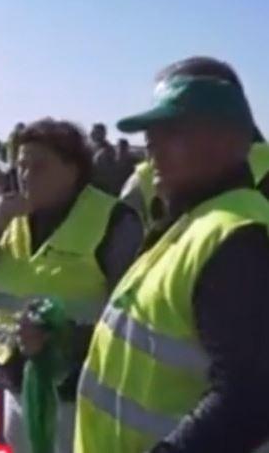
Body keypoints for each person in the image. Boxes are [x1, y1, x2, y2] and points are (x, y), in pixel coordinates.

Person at [71, 68, 269, 453]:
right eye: (150, 139)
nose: (152, 152)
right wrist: (69, 343)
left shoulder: (235, 237)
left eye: (172, 135)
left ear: (229, 142)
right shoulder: (192, 221)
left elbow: (252, 396)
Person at [0, 119, 143, 453]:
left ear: (73, 170)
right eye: (21, 165)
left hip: (79, 398)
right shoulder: (9, 217)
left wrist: (61, 339)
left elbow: (133, 320)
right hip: (17, 389)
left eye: (39, 166)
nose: (25, 175)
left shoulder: (114, 221)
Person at [120, 56, 269, 232]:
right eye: (152, 134)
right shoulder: (146, 180)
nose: (152, 146)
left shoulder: (143, 181)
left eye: (172, 130)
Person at [88, 123, 118, 194]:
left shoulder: (108, 150)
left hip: (102, 188)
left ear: (103, 134)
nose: (91, 134)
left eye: (95, 132)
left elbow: (110, 172)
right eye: (92, 132)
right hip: (91, 185)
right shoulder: (92, 148)